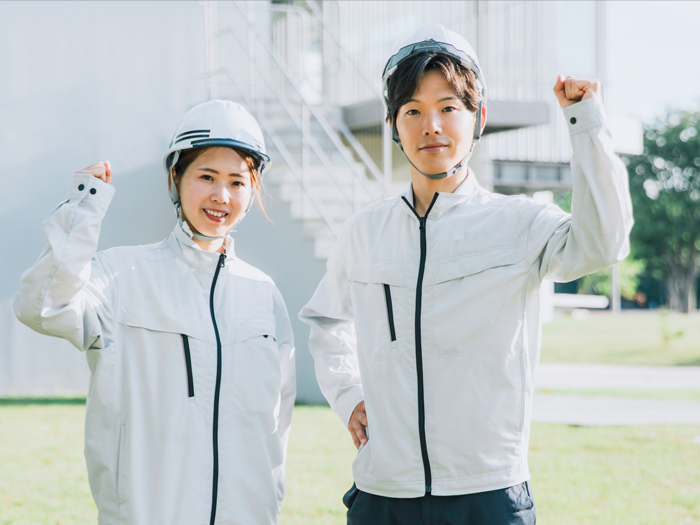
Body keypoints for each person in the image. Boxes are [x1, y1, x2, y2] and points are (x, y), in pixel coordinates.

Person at [299, 24, 633, 524]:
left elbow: (603, 243)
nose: (431, 125)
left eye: (449, 107)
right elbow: (327, 324)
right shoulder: (364, 231)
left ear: (479, 118)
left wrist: (585, 123)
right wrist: (349, 396)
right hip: (383, 492)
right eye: (413, 111)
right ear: (393, 124)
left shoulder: (520, 223)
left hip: (488, 491)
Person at [14, 99, 296, 525]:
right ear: (175, 177)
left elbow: (277, 423)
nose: (221, 196)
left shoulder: (263, 294)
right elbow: (42, 307)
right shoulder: (121, 275)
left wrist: (268, 505)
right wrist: (82, 210)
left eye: (238, 182)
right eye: (207, 176)